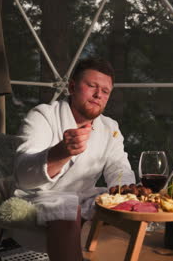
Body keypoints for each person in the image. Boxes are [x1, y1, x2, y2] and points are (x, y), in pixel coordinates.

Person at [12, 58, 135, 261]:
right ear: (71, 86)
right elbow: (23, 176)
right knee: (66, 207)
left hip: (82, 197)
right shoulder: (43, 116)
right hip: (37, 197)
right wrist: (60, 152)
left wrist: (127, 195)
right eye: (92, 86)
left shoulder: (109, 127)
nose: (98, 95)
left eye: (105, 92)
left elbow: (119, 168)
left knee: (125, 207)